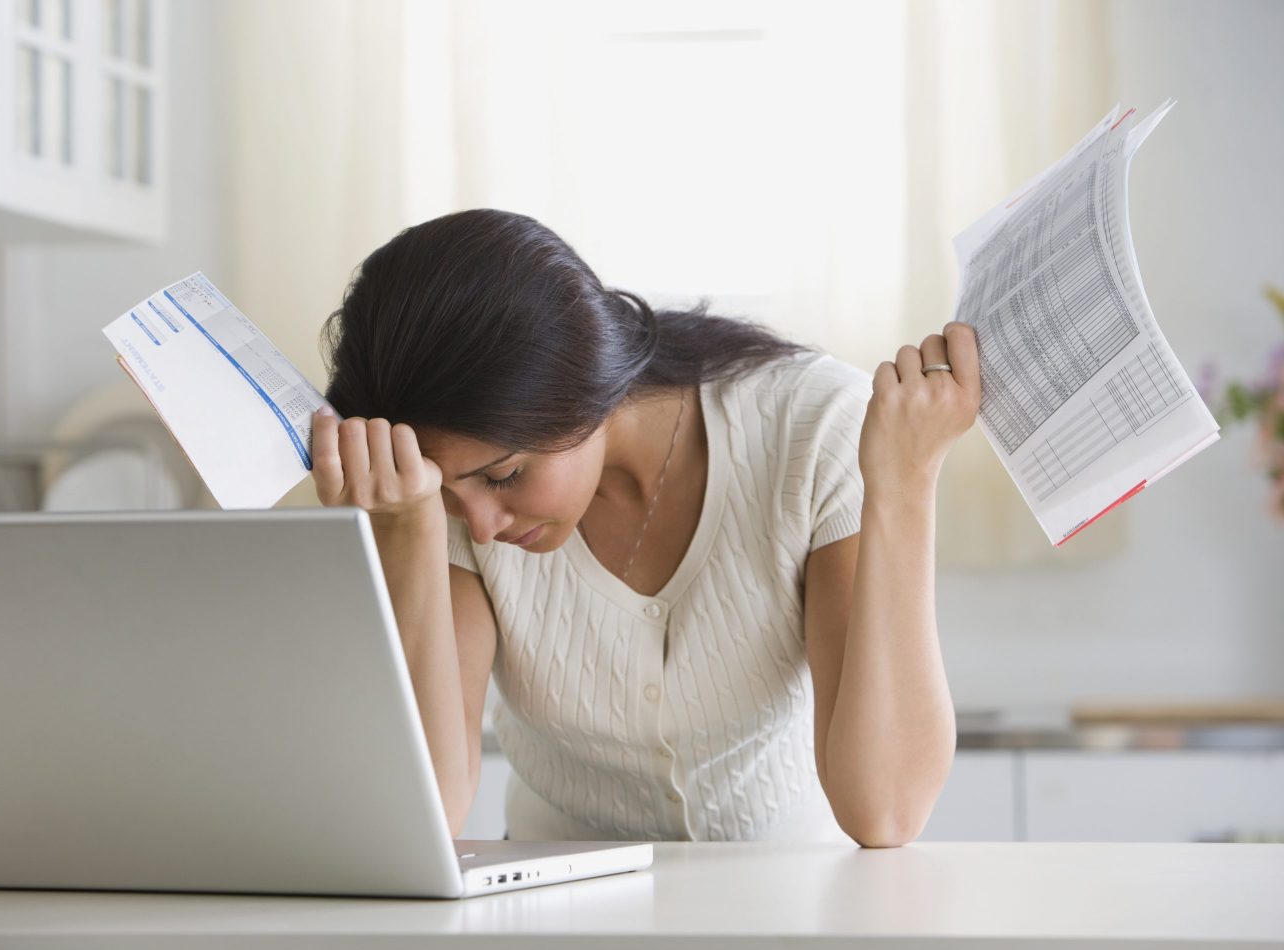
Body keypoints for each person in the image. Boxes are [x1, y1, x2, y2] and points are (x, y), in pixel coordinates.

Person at [311, 208, 980, 847]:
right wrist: (404, 528)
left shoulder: (812, 429)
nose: (481, 527)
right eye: (446, 493)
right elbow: (428, 814)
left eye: (505, 475)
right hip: (557, 903)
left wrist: (904, 484)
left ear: (580, 389)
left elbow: (886, 810)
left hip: (793, 894)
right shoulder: (443, 495)